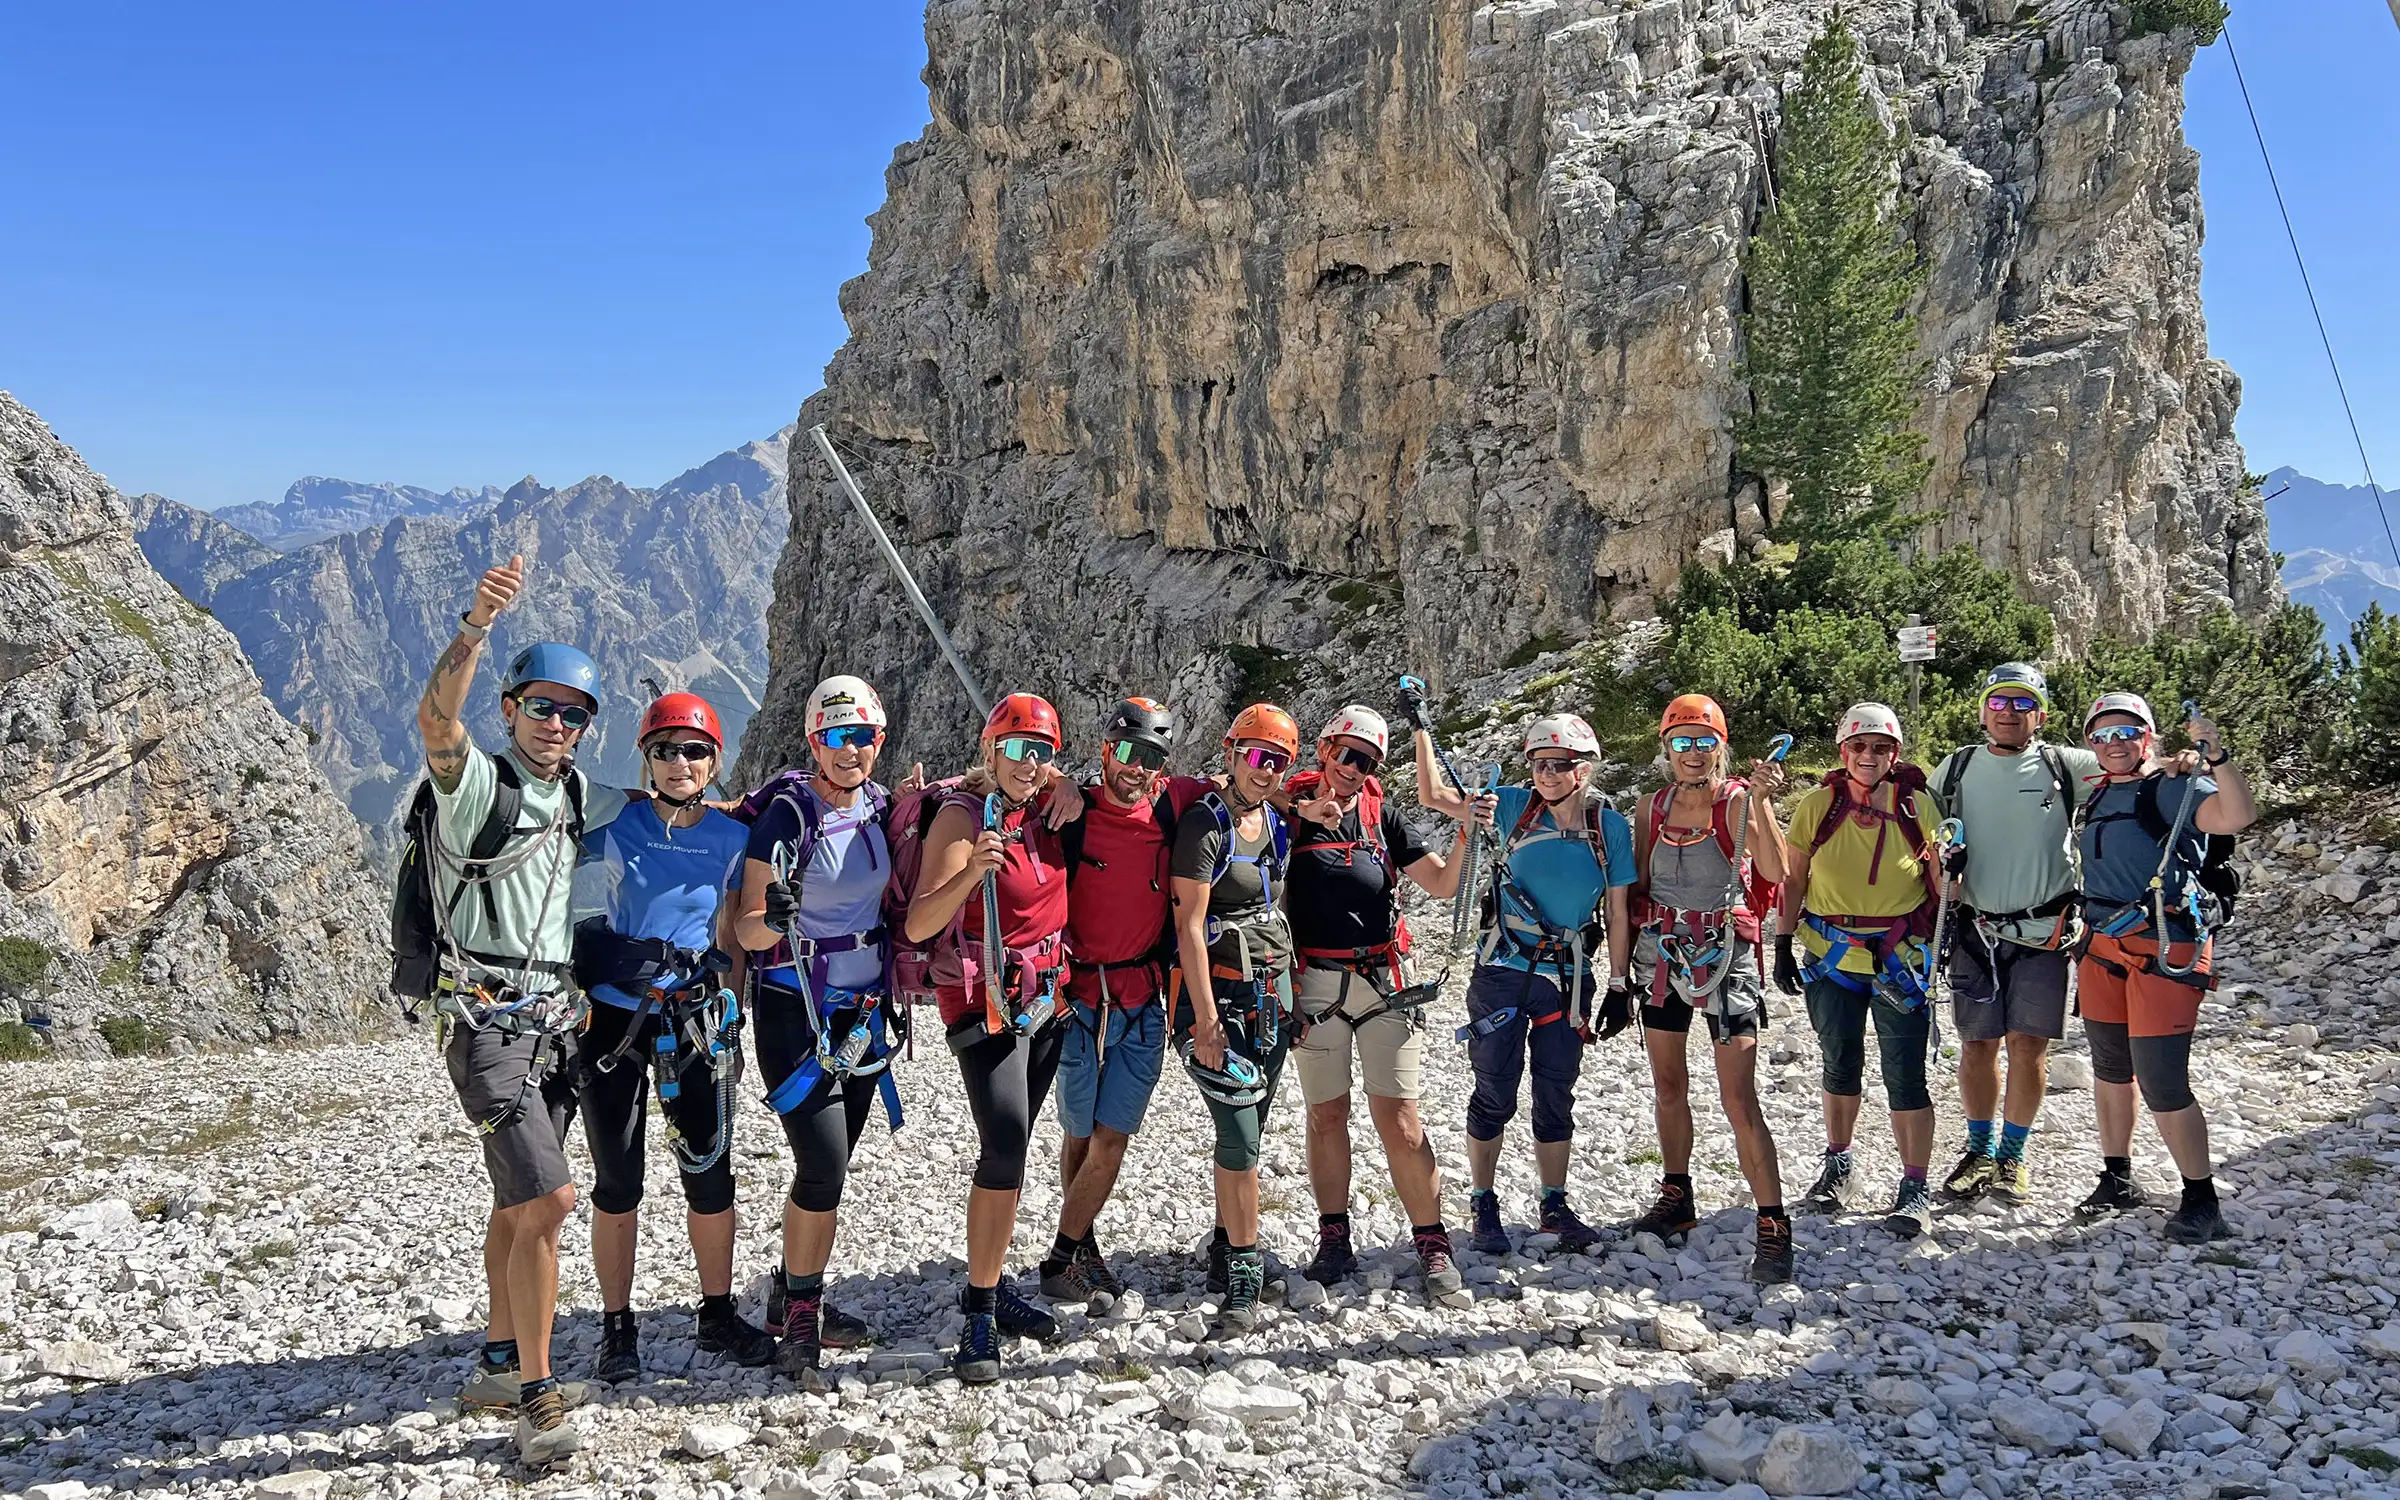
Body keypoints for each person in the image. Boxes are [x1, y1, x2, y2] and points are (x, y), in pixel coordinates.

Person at [415, 554, 629, 1465]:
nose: (556, 724)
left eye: (573, 713)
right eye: (540, 706)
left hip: (549, 1028)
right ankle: (537, 1393)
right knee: (551, 1199)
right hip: (487, 1023)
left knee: (515, 1201)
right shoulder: (477, 791)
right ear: (509, 710)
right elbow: (436, 722)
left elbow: (663, 807)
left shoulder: (576, 791)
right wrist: (473, 629)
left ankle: (502, 1361)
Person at [573, 691, 775, 1386]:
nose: (680, 761)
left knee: (710, 1174)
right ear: (647, 758)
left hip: (695, 1018)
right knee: (617, 1181)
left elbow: (732, 934)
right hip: (613, 1020)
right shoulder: (617, 820)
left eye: (693, 751)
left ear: (713, 761)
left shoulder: (730, 837)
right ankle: (616, 1327)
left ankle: (717, 1314)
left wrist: (734, 1015)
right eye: (666, 750)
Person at [729, 675, 907, 1383]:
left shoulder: (882, 808)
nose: (849, 749)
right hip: (793, 1008)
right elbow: (746, 925)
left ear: (879, 742)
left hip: (861, 1014)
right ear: (813, 742)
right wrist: (772, 915)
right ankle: (801, 1309)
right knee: (824, 1162)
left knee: (828, 1167)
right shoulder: (786, 817)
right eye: (836, 737)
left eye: (862, 736)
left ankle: (791, 1292)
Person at [904, 693, 1076, 1383]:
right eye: (1017, 748)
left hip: (1045, 1001)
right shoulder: (959, 816)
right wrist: (973, 869)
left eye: (1042, 752)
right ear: (989, 750)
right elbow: (919, 924)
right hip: (981, 1002)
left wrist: (1074, 793)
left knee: (1014, 1146)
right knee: (1004, 1141)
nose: (1029, 764)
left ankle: (994, 1281)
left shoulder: (1052, 808)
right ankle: (979, 1306)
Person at [1419, 713, 1633, 1258]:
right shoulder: (1509, 805)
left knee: (1556, 1090)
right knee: (1494, 1090)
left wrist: (1618, 983)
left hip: (1569, 977)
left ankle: (1554, 1204)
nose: (1548, 774)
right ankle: (1483, 1200)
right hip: (1505, 972)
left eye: (1560, 765)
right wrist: (1421, 725)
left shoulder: (1609, 826)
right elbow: (1432, 793)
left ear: (1584, 769)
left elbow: (1619, 908)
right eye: (1540, 764)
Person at [1284, 705, 1467, 1298]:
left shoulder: (1380, 816)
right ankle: (1334, 1238)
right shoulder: (1281, 809)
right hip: (1315, 983)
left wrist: (1466, 831)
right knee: (1326, 1115)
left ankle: (1432, 1243)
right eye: (1346, 754)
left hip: (1384, 981)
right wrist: (1302, 811)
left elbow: (1441, 882)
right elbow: (1227, 796)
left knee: (1402, 1119)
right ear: (1325, 748)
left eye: (1366, 762)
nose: (1354, 768)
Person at [1041, 698, 1212, 1307]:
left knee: (1112, 1137)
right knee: (1080, 1133)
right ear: (1107, 748)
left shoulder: (1171, 804)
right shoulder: (1073, 810)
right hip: (1079, 999)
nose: (1139, 767)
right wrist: (1058, 777)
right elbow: (991, 782)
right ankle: (1082, 1251)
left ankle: (1062, 1256)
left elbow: (1250, 784)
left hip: (1140, 1001)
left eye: (1153, 757)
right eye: (1130, 751)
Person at [1625, 695, 1795, 1284]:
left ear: (1719, 745)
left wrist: (1764, 805)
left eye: (1703, 742)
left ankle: (1772, 1224)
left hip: (1727, 959)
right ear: (1666, 748)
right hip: (1664, 960)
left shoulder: (1741, 801)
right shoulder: (1652, 807)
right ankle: (1678, 1198)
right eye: (1682, 742)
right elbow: (1640, 884)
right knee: (1668, 1086)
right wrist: (1622, 971)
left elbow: (1776, 874)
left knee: (1738, 1098)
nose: (1693, 753)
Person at [2074, 693, 2254, 1241]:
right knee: (2109, 1068)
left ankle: (2202, 1198)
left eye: (2127, 732)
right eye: (2102, 736)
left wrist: (2215, 756)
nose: (2115, 744)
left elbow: (2237, 815)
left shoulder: (2173, 786)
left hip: (2165, 948)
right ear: (2090, 745)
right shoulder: (2095, 795)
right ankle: (2117, 1177)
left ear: (2147, 736)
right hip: (2102, 946)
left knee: (2161, 1078)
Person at [1926, 664, 2097, 1205]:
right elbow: (1915, 826)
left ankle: (2012, 1156)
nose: (2009, 713)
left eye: (2022, 704)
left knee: (2029, 1046)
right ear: (1982, 711)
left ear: (2041, 716)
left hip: (2043, 929)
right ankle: (1979, 1149)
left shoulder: (2063, 764)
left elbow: (2134, 765)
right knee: (1977, 1045)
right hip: (1975, 928)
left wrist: (2181, 758)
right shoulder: (1954, 770)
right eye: (1999, 703)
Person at [1774, 702, 1944, 1238]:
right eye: (1859, 746)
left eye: (1881, 748)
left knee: (1905, 1075)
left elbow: (1941, 882)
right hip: (1831, 954)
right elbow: (1794, 879)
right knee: (1838, 1062)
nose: (1869, 756)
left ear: (1895, 754)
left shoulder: (1918, 805)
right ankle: (1839, 1163)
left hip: (1900, 958)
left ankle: (1914, 1184)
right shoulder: (1816, 805)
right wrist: (1781, 940)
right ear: (1842, 750)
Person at [1169, 703, 1301, 1333]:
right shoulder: (1204, 825)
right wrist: (1203, 1021)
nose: (1265, 769)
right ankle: (1244, 1274)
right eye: (1256, 756)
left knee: (1251, 1126)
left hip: (1271, 1000)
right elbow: (1189, 926)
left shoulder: (1274, 823)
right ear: (1230, 754)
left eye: (1277, 761)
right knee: (1241, 1138)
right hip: (1218, 1004)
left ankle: (1226, 1248)